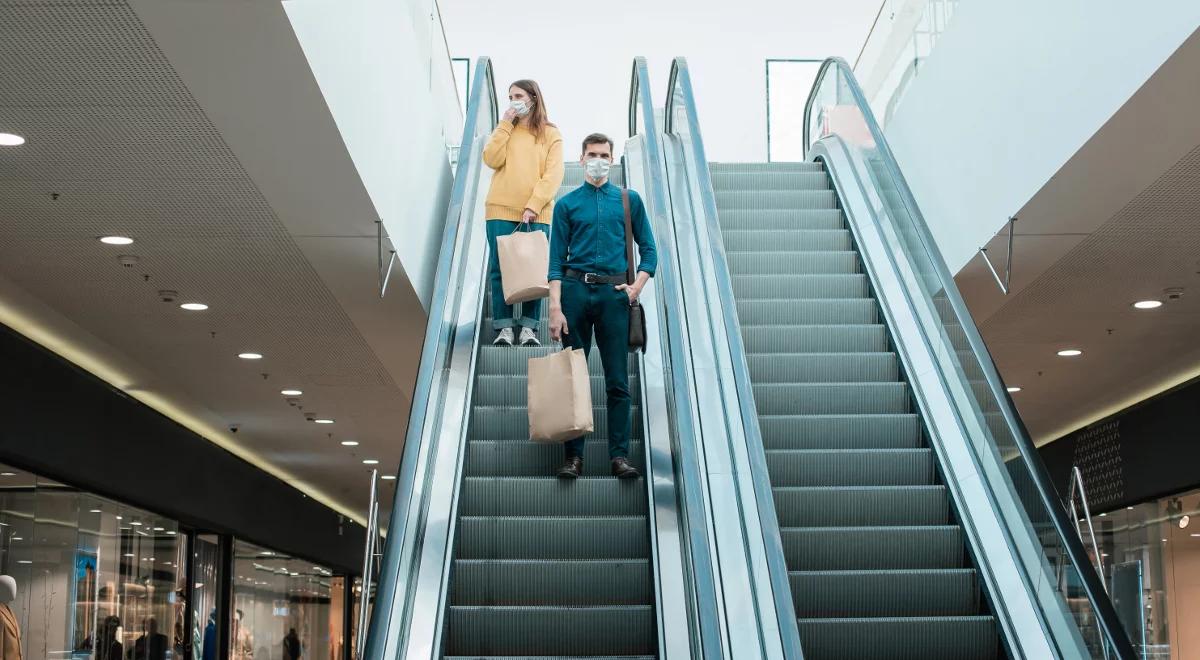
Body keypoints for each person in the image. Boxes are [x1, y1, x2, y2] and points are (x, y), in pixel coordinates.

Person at [548, 133, 656, 479]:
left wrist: (635, 287)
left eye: (604, 155)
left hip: (614, 296)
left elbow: (650, 250)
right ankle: (574, 458)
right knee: (573, 377)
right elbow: (554, 262)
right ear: (581, 159)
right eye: (593, 154)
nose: (599, 160)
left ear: (612, 160)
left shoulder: (629, 200)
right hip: (575, 292)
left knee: (617, 381)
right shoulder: (566, 205)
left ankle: (619, 457)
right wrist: (555, 307)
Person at [482, 79, 565, 347]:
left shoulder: (550, 133)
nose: (513, 100)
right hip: (500, 207)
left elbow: (554, 174)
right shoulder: (506, 129)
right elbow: (491, 159)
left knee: (535, 268)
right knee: (500, 267)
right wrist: (505, 123)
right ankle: (504, 327)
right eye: (509, 97)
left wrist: (534, 203)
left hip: (536, 212)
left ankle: (528, 327)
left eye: (518, 95)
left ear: (533, 97)